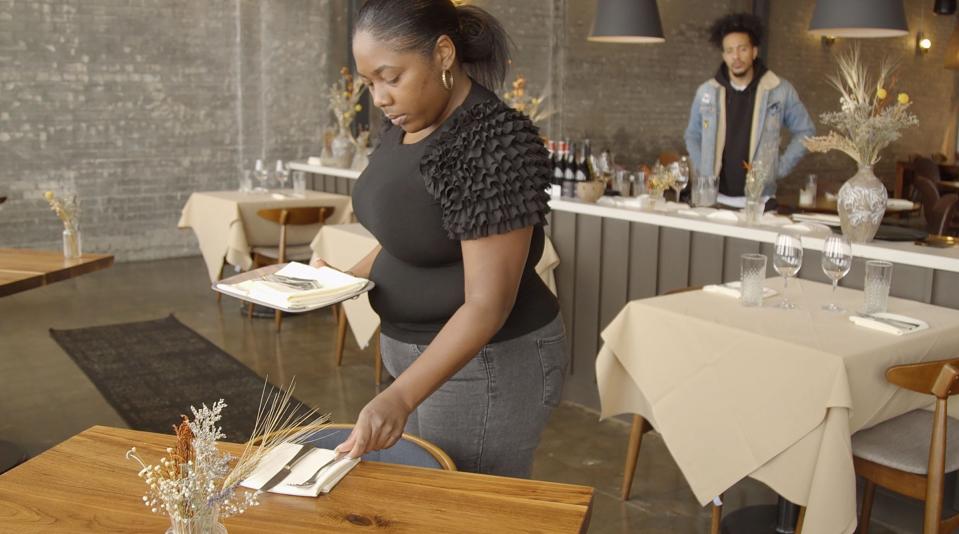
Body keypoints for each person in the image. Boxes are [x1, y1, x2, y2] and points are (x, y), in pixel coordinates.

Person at [313, 0, 567, 478]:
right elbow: (409, 237)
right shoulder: (408, 123)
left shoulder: (490, 143)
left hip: (487, 367)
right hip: (417, 359)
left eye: (391, 77)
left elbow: (487, 305)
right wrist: (341, 281)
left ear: (444, 54)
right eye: (370, 83)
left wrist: (401, 395)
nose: (380, 98)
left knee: (467, 511)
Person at [684, 13, 815, 206]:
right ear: (724, 56)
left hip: (760, 200)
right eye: (729, 51)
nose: (736, 57)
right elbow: (692, 135)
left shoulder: (779, 90)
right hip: (714, 200)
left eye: (742, 49)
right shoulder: (707, 92)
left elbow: (806, 131)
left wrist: (778, 168)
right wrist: (704, 167)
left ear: (754, 51)